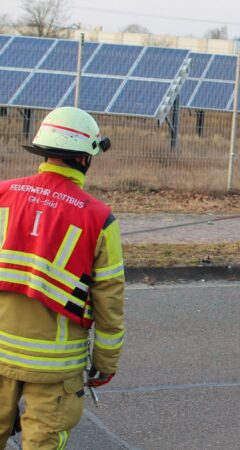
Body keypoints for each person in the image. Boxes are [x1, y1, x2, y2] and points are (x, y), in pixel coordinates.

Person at [0, 107, 125, 449]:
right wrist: (105, 362)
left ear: (43, 150)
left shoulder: (2, 194)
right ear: (86, 158)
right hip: (55, 367)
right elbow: (109, 301)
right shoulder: (99, 219)